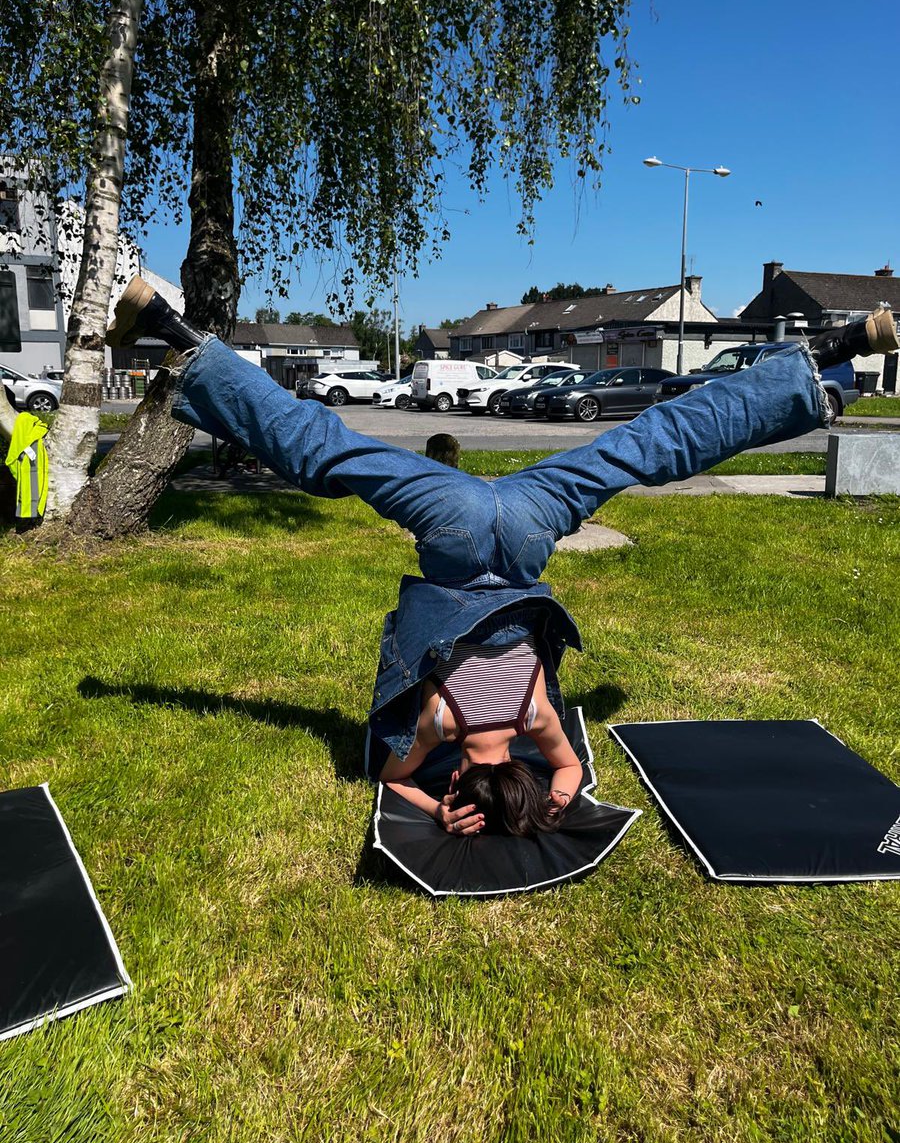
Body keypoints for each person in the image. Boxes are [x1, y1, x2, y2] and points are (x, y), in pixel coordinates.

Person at [107, 279, 898, 838]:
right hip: (452, 528)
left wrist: (549, 803)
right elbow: (391, 779)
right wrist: (438, 806)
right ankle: (174, 331)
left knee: (641, 445)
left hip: (525, 525)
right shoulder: (441, 723)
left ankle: (836, 351)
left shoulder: (537, 720)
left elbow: (567, 779)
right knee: (329, 451)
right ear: (462, 779)